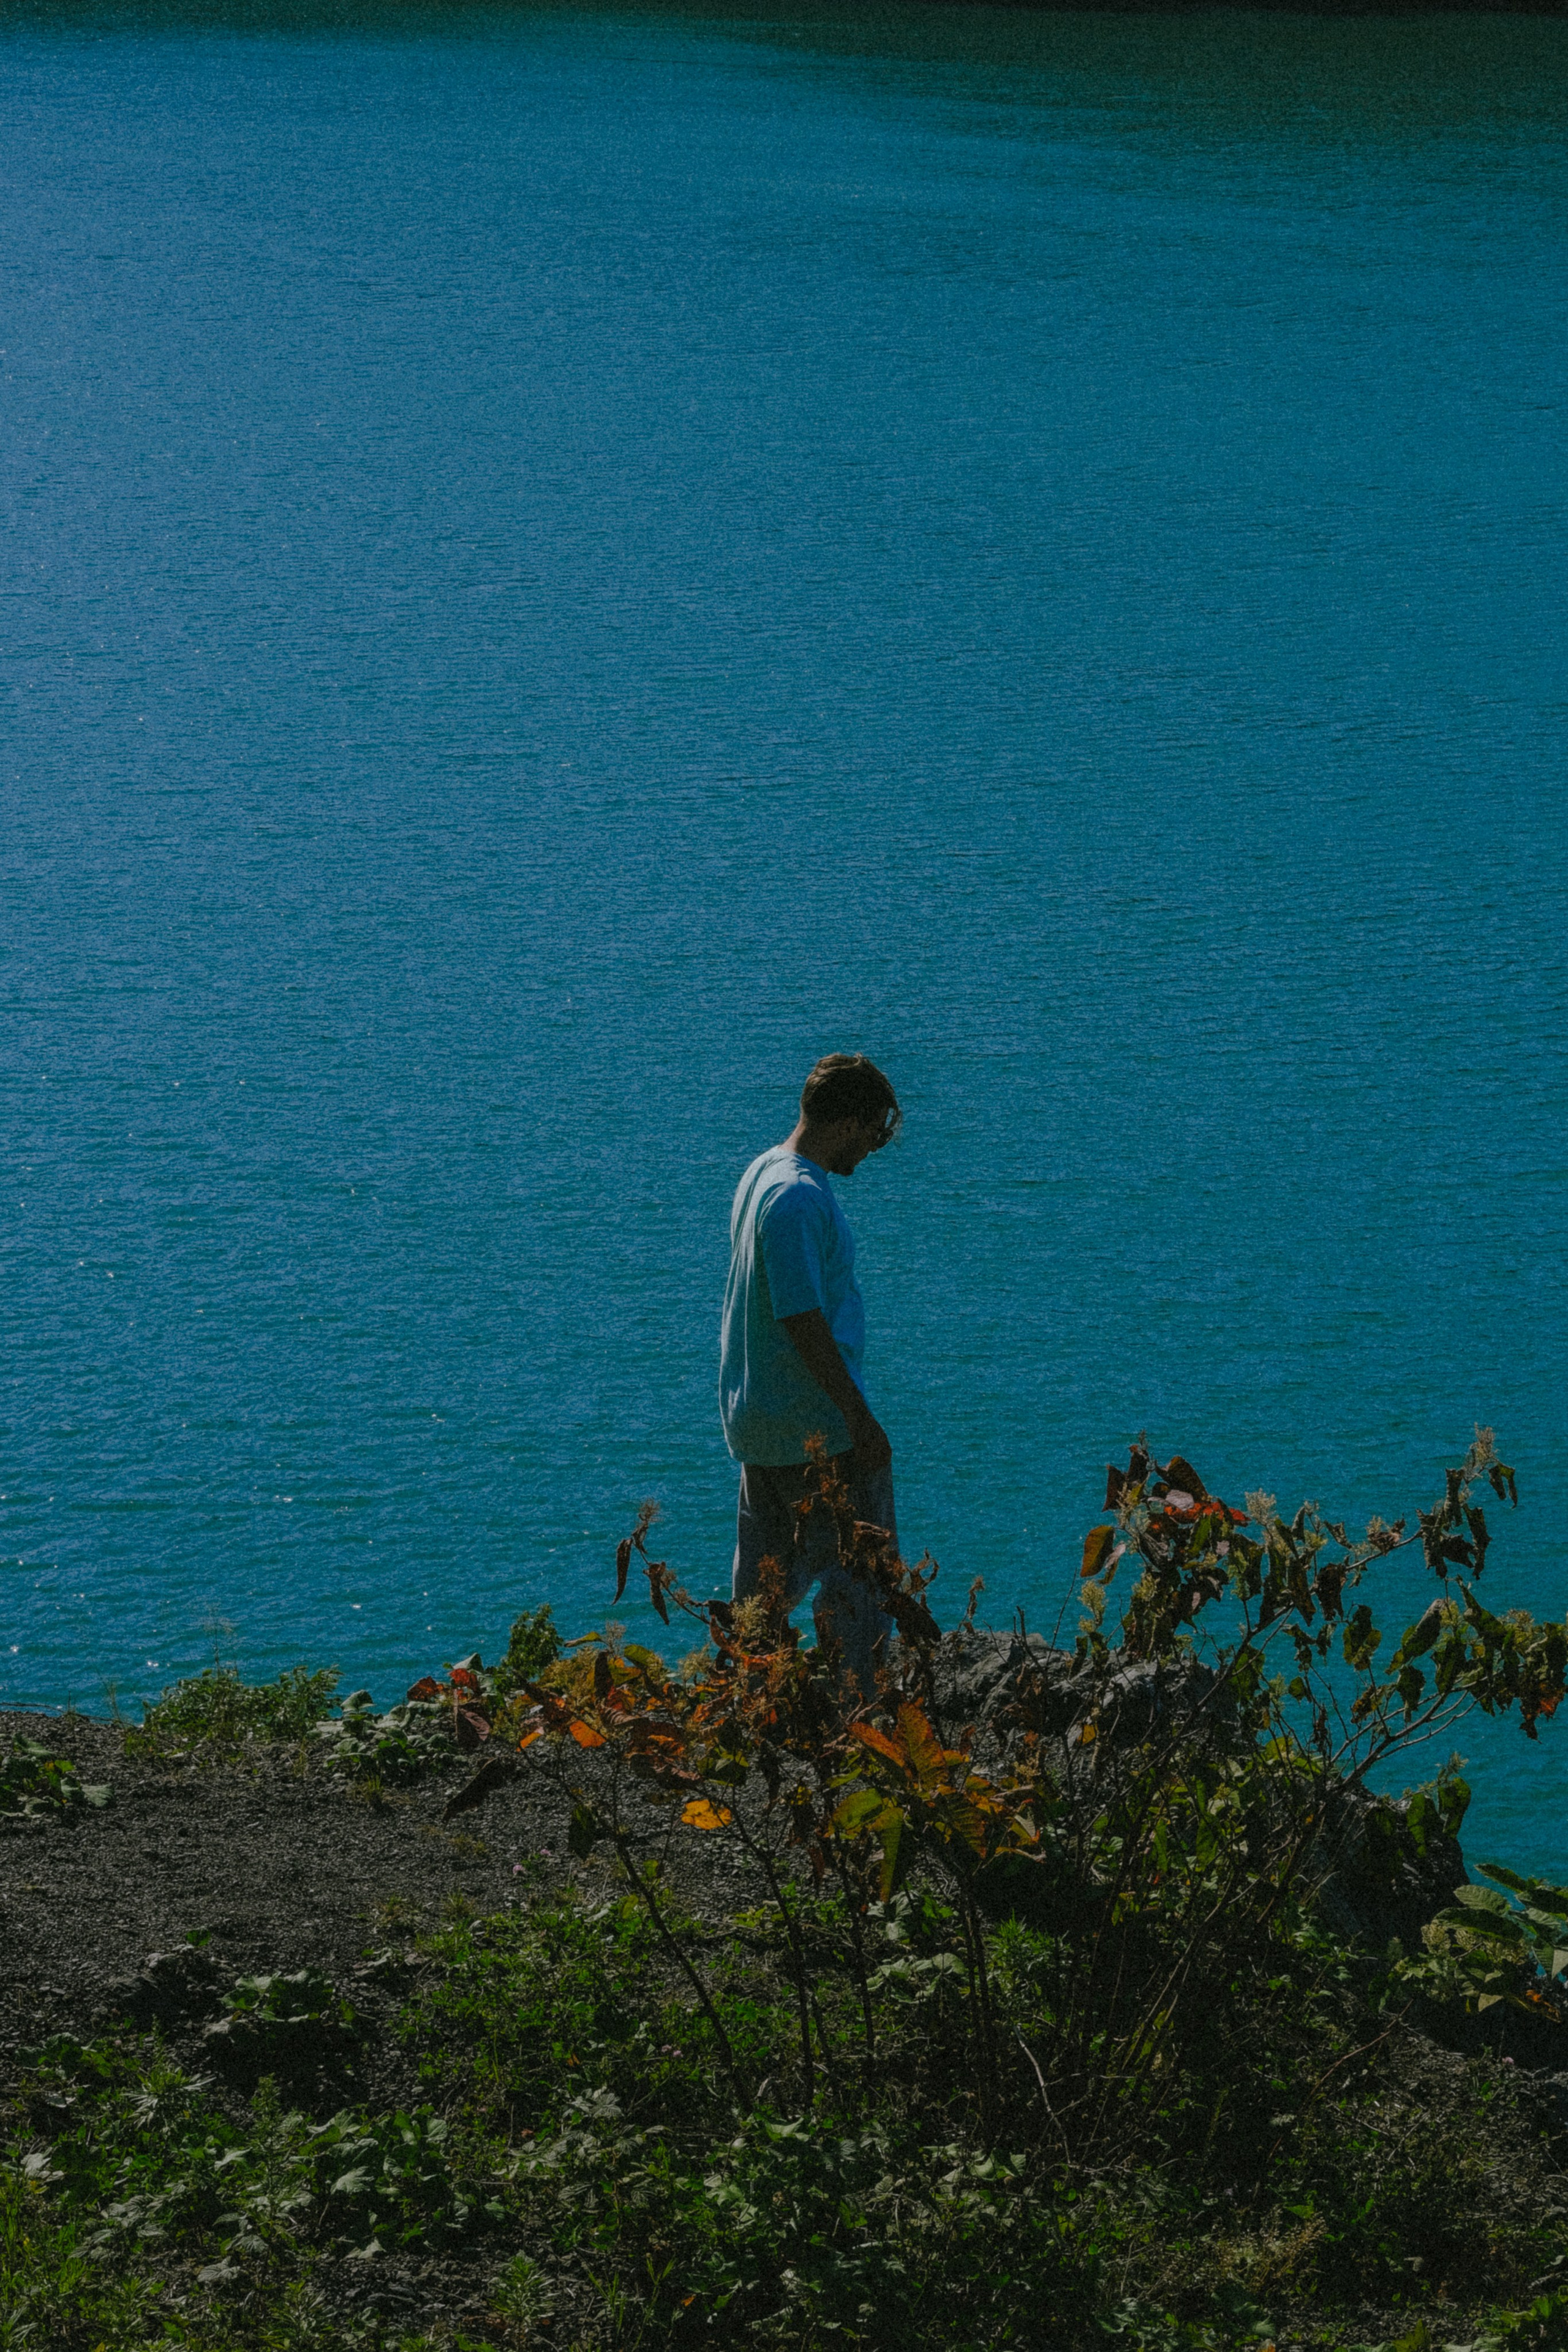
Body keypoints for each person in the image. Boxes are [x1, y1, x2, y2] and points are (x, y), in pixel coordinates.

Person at [719, 1053, 902, 1697]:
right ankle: (862, 1709)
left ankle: (752, 1704)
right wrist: (858, 1420)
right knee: (862, 1579)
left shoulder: (763, 1172)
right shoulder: (798, 1197)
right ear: (846, 1122)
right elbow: (802, 1318)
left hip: (762, 1422)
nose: (873, 1147)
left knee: (762, 1591)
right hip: (815, 1430)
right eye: (873, 1132)